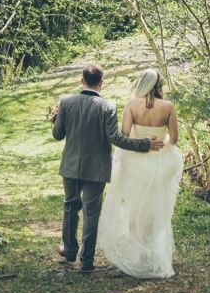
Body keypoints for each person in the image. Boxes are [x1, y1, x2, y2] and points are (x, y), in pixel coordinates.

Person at [50, 64, 164, 273]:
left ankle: (69, 250)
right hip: (97, 169)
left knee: (70, 207)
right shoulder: (108, 107)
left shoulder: (65, 102)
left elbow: (58, 134)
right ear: (101, 83)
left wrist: (55, 119)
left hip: (71, 166)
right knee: (91, 214)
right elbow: (116, 138)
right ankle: (86, 262)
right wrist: (145, 144)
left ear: (81, 80)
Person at [97, 68, 183, 278]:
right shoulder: (168, 106)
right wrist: (160, 143)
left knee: (135, 210)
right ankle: (153, 252)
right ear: (159, 85)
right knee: (156, 207)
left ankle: (138, 254)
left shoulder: (132, 105)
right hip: (161, 162)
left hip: (136, 162)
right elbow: (174, 139)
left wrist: (142, 140)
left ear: (140, 83)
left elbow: (125, 135)